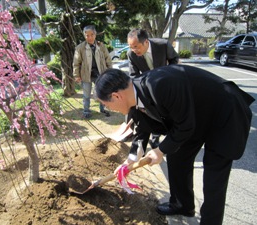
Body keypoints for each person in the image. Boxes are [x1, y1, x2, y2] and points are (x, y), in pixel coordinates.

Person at [94, 65, 254, 225]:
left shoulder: (160, 84)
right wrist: (128, 162)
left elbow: (185, 126)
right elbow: (141, 130)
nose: (110, 109)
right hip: (195, 117)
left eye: (107, 105)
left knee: (214, 178)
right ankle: (182, 205)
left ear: (116, 96)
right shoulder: (133, 96)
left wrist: (160, 150)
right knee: (177, 157)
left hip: (224, 113)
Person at [124, 28, 179, 152]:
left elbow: (174, 59)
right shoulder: (131, 54)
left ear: (146, 42)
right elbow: (134, 75)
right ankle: (149, 138)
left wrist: (169, 75)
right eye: (131, 46)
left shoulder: (162, 45)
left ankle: (156, 139)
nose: (134, 50)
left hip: (165, 82)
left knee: (164, 111)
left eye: (136, 46)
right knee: (152, 111)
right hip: (148, 84)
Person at [73, 25, 112, 118]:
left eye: (92, 35)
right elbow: (76, 63)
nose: (89, 37)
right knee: (86, 94)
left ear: (95, 35)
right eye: (87, 35)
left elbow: (108, 59)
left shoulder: (101, 46)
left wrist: (110, 71)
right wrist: (76, 75)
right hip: (86, 75)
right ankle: (86, 111)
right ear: (84, 36)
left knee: (102, 92)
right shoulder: (80, 48)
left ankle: (103, 109)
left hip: (100, 73)